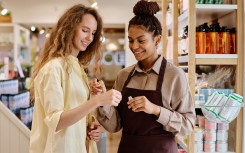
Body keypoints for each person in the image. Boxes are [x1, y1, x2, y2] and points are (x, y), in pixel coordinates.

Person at [94, 1, 196, 153]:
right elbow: (115, 125)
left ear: (157, 39)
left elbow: (188, 125)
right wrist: (103, 101)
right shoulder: (123, 76)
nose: (134, 46)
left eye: (141, 40)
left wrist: (156, 110)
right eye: (130, 40)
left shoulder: (174, 75)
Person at [29, 4, 122, 153]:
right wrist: (98, 101)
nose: (89, 38)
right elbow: (57, 121)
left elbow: (74, 114)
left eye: (93, 33)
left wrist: (89, 127)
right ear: (69, 28)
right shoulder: (53, 68)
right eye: (85, 30)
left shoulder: (77, 67)